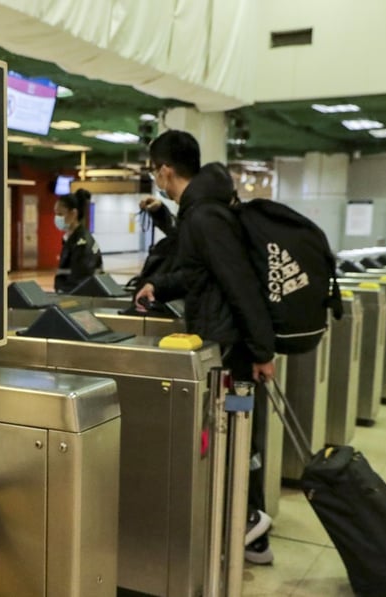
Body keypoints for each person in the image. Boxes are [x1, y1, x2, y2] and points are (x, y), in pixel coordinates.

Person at [133, 130, 277, 564]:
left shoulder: (205, 216)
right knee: (230, 435)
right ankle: (243, 527)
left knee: (235, 435)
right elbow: (203, 273)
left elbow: (240, 285)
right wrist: (159, 284)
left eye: (154, 171)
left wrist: (262, 351)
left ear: (165, 169)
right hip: (223, 344)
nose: (155, 179)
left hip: (229, 351)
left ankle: (250, 524)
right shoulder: (203, 210)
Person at [53, 188, 103, 293]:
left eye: (60, 214)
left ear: (73, 213)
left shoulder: (82, 243)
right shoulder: (72, 239)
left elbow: (80, 281)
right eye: (56, 214)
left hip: (79, 297)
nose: (57, 218)